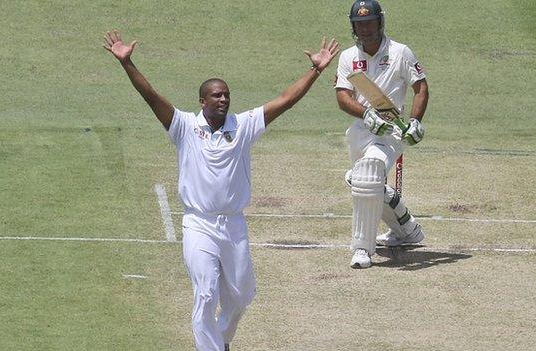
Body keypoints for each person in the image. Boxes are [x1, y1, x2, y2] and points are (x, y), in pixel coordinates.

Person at [103, 30, 339, 351]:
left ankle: (221, 339)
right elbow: (151, 96)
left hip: (234, 225)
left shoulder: (242, 126)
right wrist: (127, 63)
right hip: (198, 224)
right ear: (202, 101)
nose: (223, 99)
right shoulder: (184, 126)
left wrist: (316, 70)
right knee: (205, 292)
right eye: (216, 95)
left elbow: (285, 100)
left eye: (226, 95)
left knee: (242, 295)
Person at [334, 0, 429, 268]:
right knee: (361, 182)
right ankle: (407, 230)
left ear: (380, 22)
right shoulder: (347, 57)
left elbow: (420, 88)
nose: (364, 29)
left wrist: (415, 121)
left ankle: (362, 249)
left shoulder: (400, 53)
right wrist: (365, 114)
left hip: (390, 132)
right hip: (359, 131)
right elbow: (342, 97)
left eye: (369, 23)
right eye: (359, 24)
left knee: (369, 172)